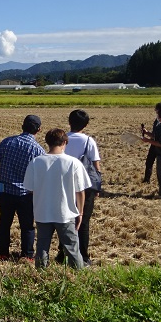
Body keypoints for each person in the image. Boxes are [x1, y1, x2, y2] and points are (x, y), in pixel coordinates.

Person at [23, 129, 90, 270]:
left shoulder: (36, 162)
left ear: (47, 142)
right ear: (65, 142)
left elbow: (29, 188)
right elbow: (80, 191)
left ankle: (40, 274)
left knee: (42, 246)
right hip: (65, 213)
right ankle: (78, 276)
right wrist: (81, 212)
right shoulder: (73, 163)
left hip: (42, 212)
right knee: (72, 248)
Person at [0, 115, 45, 261]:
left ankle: (2, 253)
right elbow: (41, 174)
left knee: (4, 223)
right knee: (27, 226)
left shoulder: (8, 142)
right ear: (39, 130)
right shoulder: (38, 150)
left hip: (5, 191)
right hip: (26, 193)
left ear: (22, 126)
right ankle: (27, 255)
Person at [59, 109, 102, 265]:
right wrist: (97, 186)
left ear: (69, 122)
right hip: (85, 186)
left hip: (65, 184)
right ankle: (83, 256)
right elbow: (96, 165)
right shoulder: (89, 141)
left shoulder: (62, 140)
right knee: (83, 222)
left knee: (64, 219)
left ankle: (62, 253)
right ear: (86, 124)